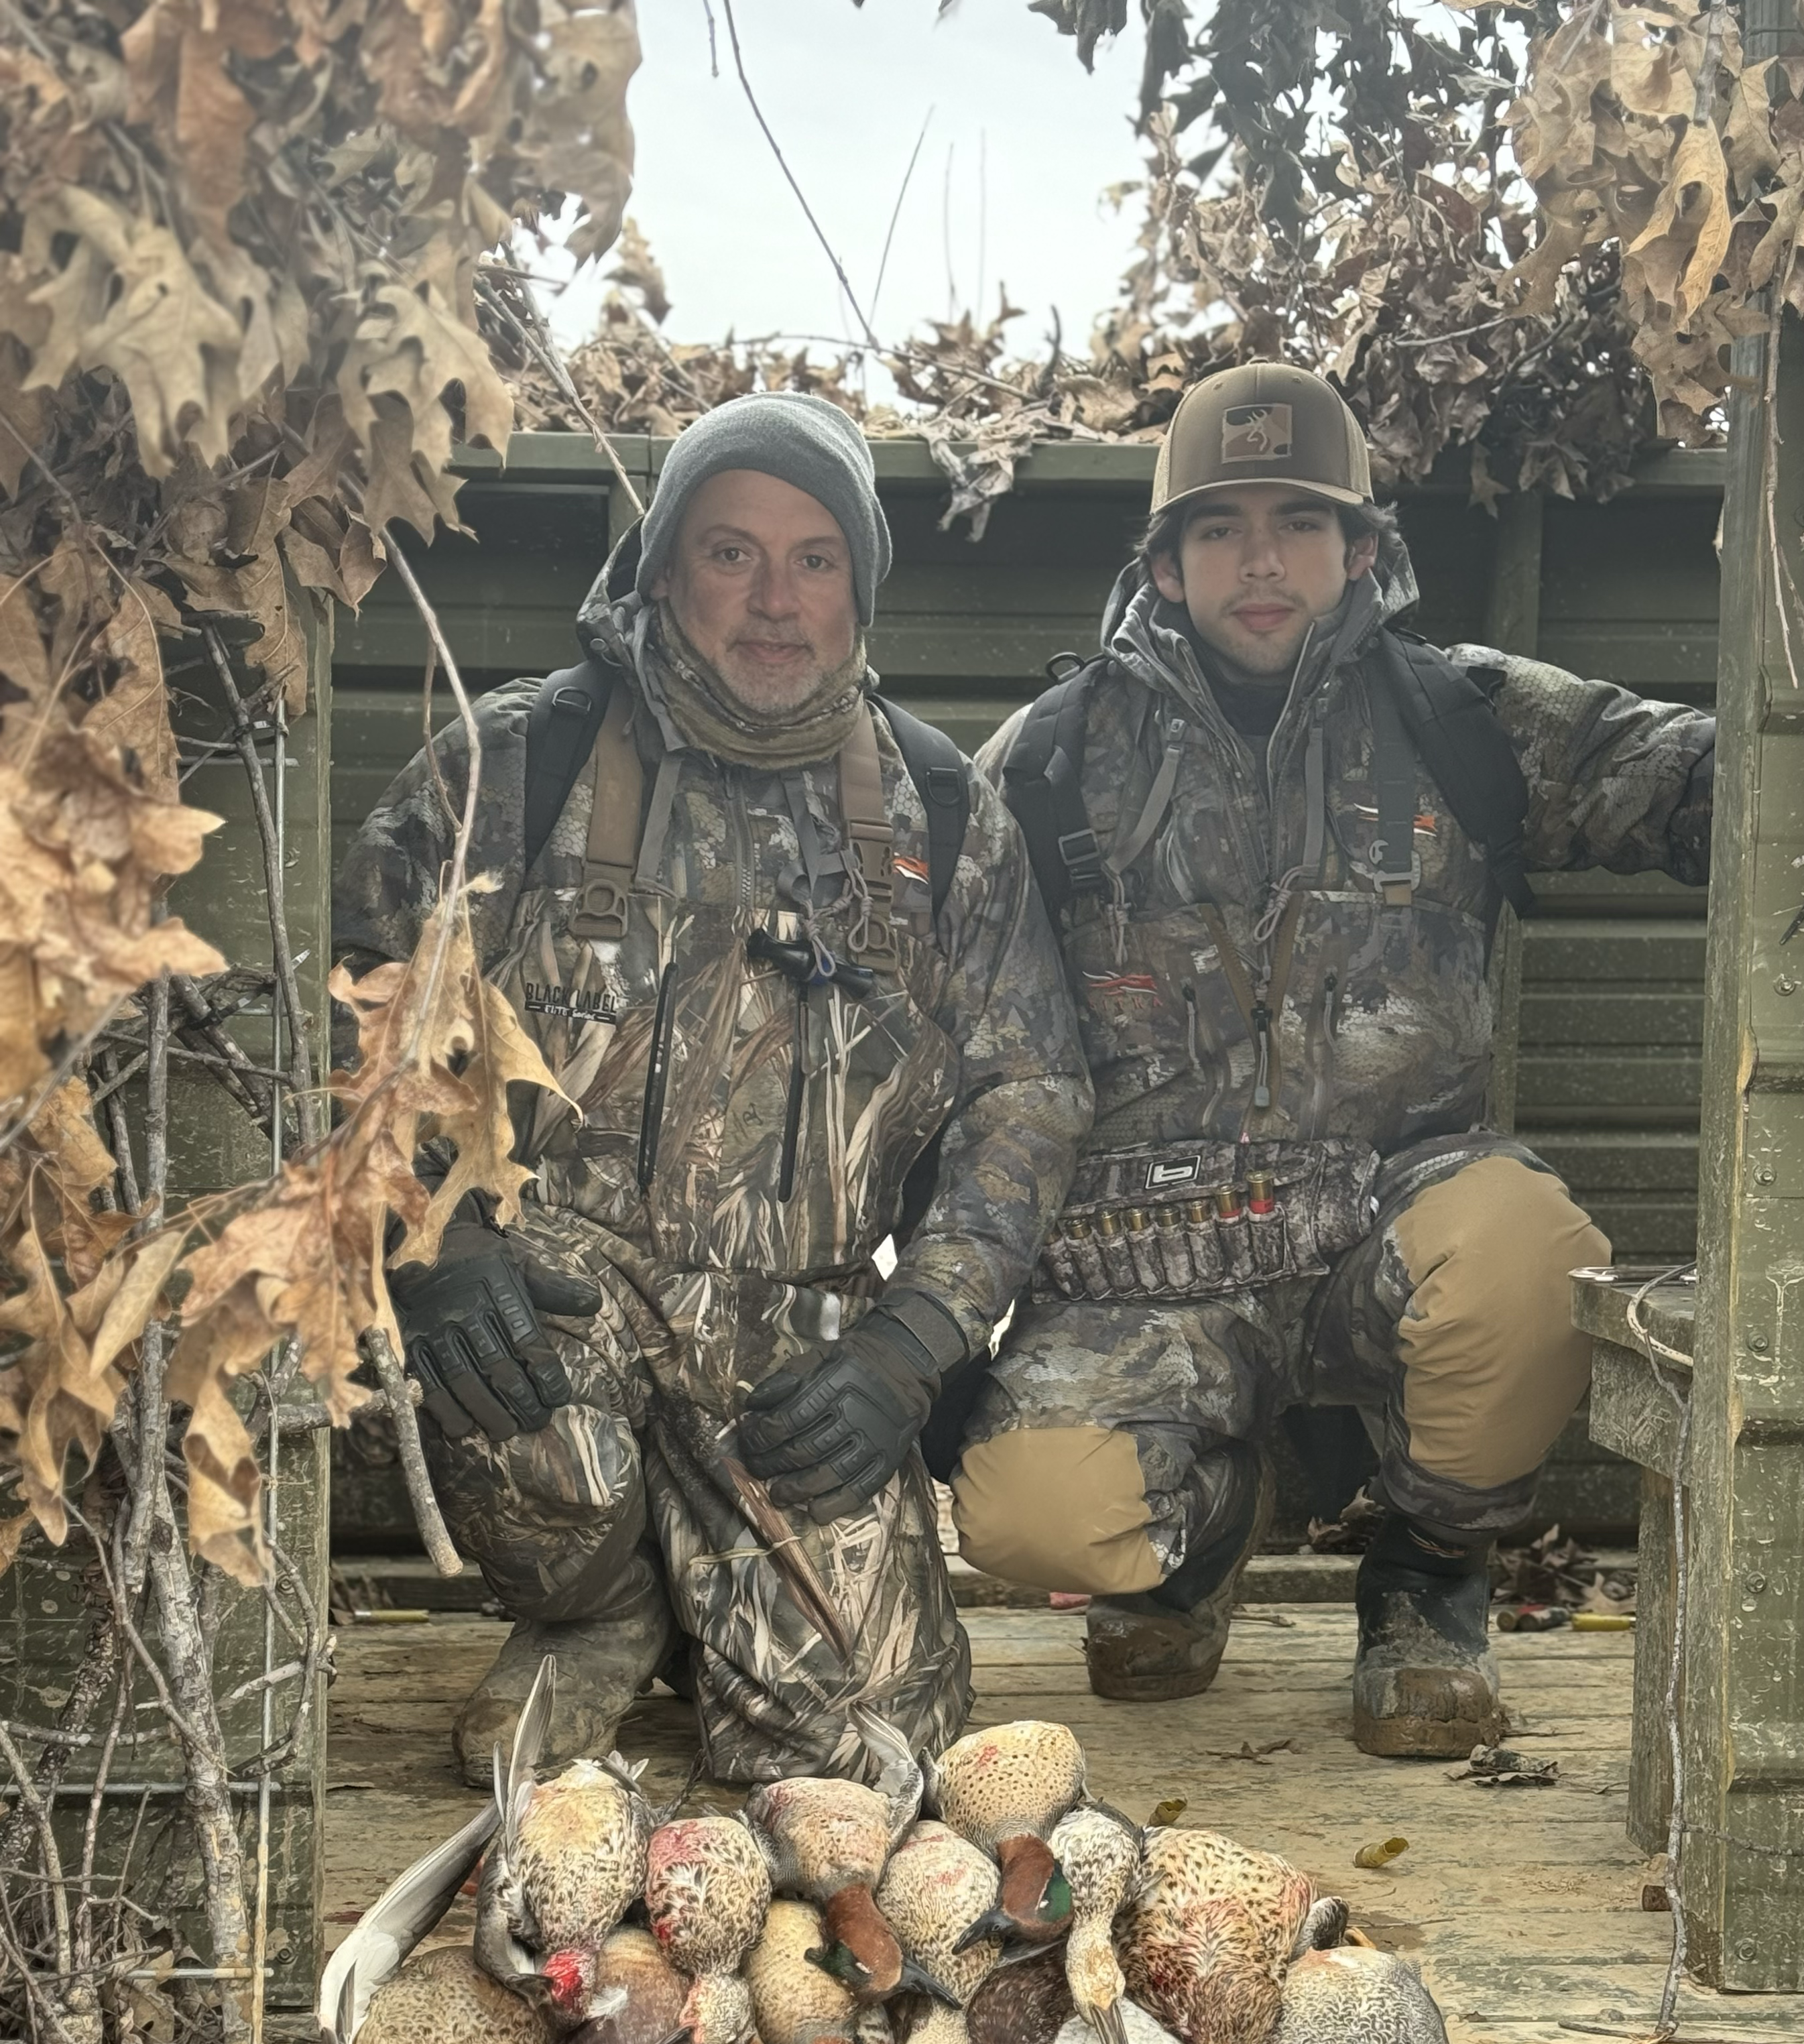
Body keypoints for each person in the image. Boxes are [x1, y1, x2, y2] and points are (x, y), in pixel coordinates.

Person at [951, 361, 1713, 1758]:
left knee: (1526, 1255)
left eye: (1298, 524)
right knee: (1024, 1508)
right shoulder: (1049, 761)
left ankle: (1426, 1579)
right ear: (1166, 566)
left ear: (1361, 551)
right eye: (1220, 527)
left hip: (1388, 1227)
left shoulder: (1459, 719)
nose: (1261, 559)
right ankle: (1193, 1550)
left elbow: (1695, 777)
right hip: (1155, 1263)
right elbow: (940, 1007)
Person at [333, 394, 1090, 1786]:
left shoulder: (943, 814)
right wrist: (429, 1237)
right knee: (540, 1452)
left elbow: (1027, 1098)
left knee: (864, 1755)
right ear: (664, 566)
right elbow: (364, 1023)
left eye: (815, 559)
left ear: (859, 586)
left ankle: (705, 1599)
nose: (775, 600)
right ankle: (598, 1609)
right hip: (558, 1288)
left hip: (795, 1323)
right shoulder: (513, 767)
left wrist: (905, 1349)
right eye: (731, 552)